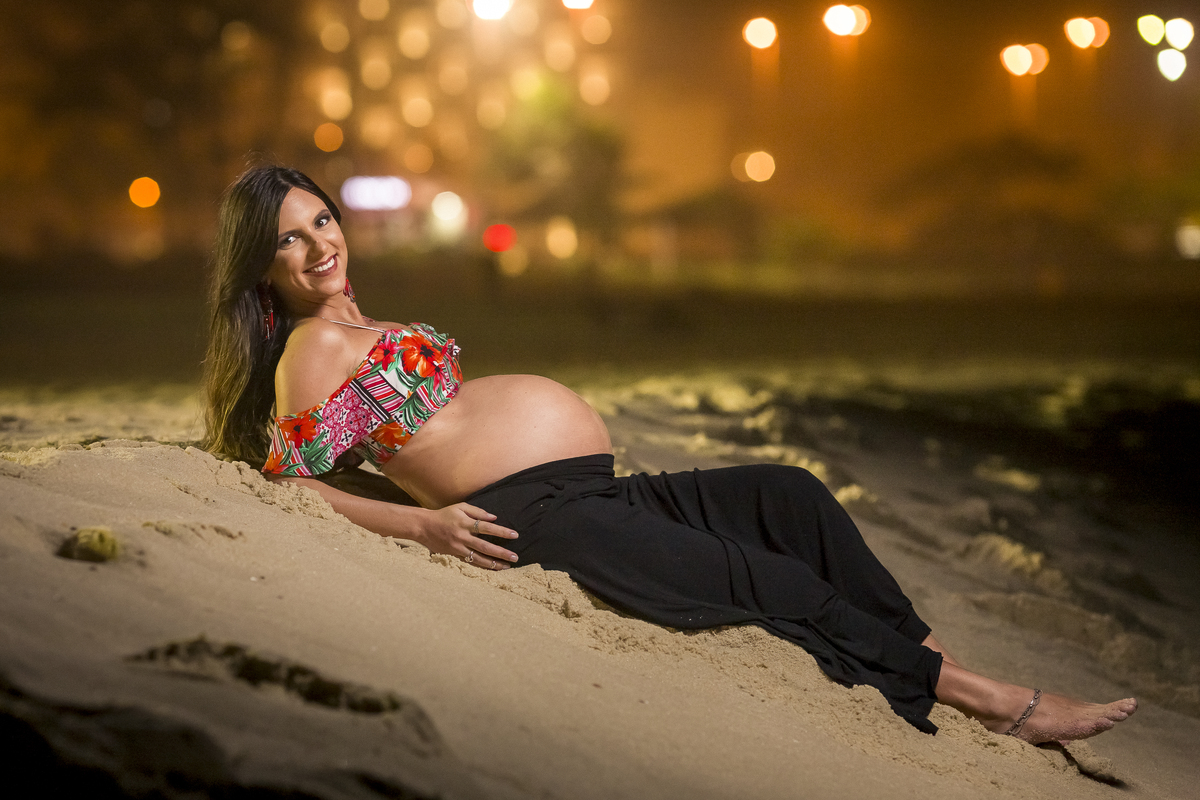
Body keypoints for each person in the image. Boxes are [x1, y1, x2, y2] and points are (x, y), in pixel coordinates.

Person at [202, 165, 1136, 743]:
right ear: (263, 268)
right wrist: (429, 528)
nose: (315, 243)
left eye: (319, 219)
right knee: (767, 579)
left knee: (788, 497)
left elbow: (377, 441)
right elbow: (292, 485)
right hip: (540, 518)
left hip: (592, 490)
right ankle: (995, 704)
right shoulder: (311, 352)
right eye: (287, 238)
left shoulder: (356, 323)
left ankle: (926, 655)